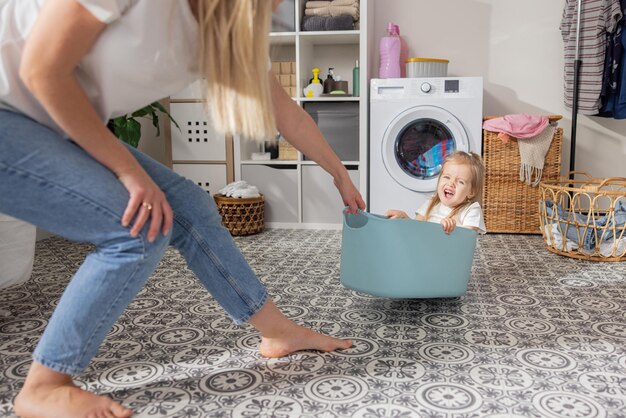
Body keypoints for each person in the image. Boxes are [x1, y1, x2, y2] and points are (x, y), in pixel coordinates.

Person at [0, 0, 366, 416]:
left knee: (189, 207)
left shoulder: (229, 30)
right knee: (138, 227)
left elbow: (287, 116)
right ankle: (44, 386)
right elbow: (42, 70)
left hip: (46, 121)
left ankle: (278, 332)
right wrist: (130, 174)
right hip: (10, 111)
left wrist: (340, 174)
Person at [385, 151, 486, 235]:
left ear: (471, 192)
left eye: (460, 182)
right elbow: (415, 230)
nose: (451, 183)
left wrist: (448, 231)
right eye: (447, 177)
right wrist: (405, 220)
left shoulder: (471, 210)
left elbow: (466, 241)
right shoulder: (431, 203)